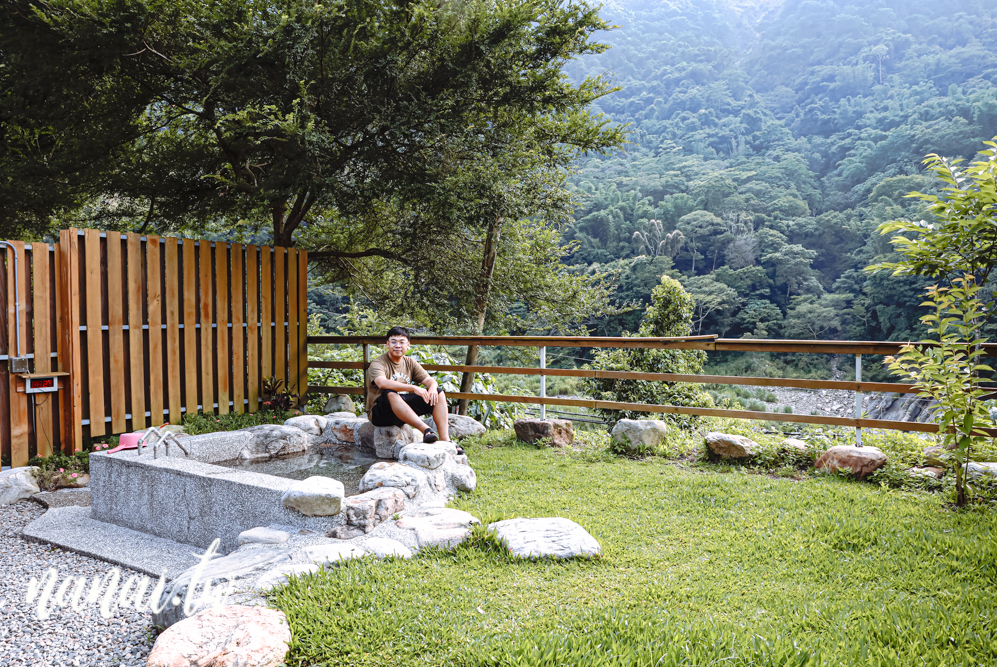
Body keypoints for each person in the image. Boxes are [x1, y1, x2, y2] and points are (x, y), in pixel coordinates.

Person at [366, 326, 453, 445]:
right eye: (393, 342)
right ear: (387, 344)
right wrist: (413, 388)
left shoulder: (410, 362)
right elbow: (382, 383)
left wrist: (432, 388)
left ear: (408, 345)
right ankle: (426, 430)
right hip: (380, 413)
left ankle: (446, 440)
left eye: (402, 342)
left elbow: (429, 380)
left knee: (438, 392)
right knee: (389, 393)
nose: (397, 345)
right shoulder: (378, 362)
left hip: (403, 411)